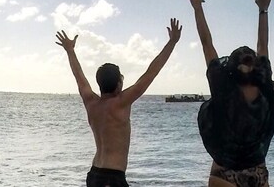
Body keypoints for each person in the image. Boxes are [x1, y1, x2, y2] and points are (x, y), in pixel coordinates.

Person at [56, 18, 182, 187]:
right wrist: (172, 42)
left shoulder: (91, 102)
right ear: (118, 85)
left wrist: (70, 51)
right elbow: (151, 73)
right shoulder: (121, 103)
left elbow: (79, 77)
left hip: (94, 174)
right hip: (112, 177)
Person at [185, 0, 274, 187]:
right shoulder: (264, 87)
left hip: (224, 171)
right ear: (255, 65)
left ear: (230, 67)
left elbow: (206, 43)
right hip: (257, 170)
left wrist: (197, 8)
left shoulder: (224, 88)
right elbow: (263, 44)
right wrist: (263, 10)